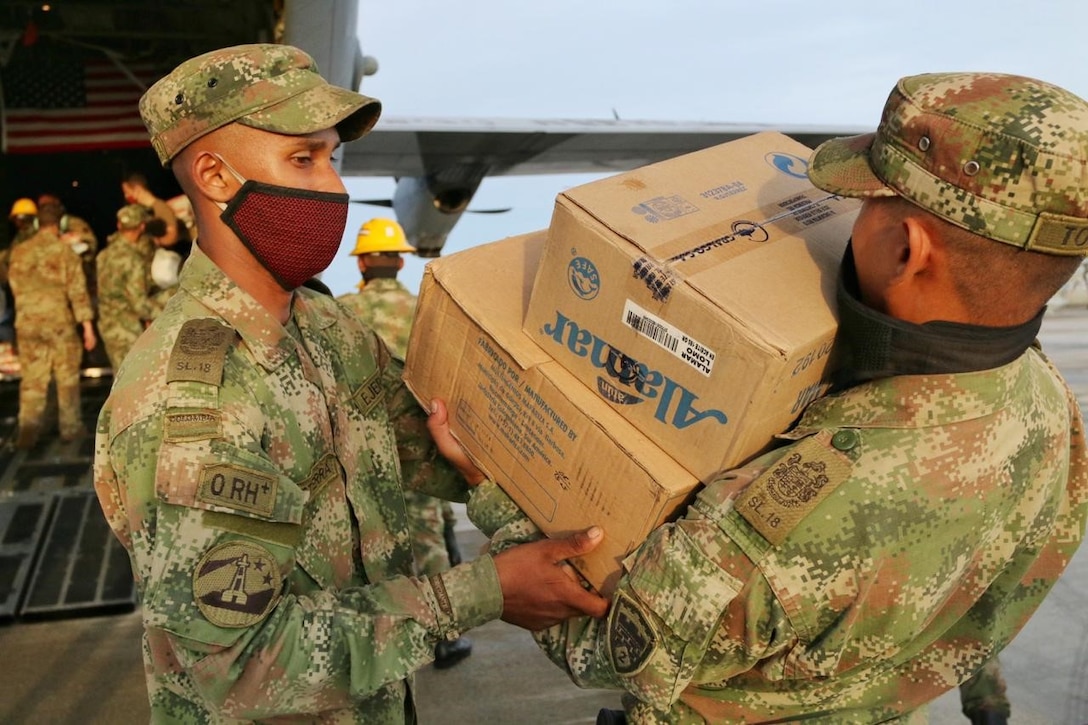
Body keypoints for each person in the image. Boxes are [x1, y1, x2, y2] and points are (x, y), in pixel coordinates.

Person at [466, 72, 1088, 723]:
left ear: (907, 250)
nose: (847, 218)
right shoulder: (1046, 402)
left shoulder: (801, 501)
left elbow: (611, 645)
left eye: (870, 203)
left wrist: (496, 486)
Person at [93, 42, 607, 722]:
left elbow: (437, 444)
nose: (333, 186)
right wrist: (483, 591)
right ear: (214, 175)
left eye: (332, 158)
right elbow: (242, 666)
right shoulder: (194, 398)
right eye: (302, 158)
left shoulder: (327, 328)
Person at [337, 216, 472, 669]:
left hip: (355, 452)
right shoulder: (423, 311)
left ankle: (381, 632)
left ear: (361, 266)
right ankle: (445, 635)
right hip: (417, 447)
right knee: (427, 534)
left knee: (365, 543)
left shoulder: (339, 312)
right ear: (399, 261)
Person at [8, 200, 97, 448]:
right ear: (60, 223)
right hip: (59, 323)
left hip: (27, 324)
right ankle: (70, 428)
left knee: (33, 380)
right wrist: (88, 328)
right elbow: (77, 293)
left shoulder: (19, 251)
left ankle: (28, 430)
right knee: (66, 378)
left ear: (38, 222)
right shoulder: (65, 252)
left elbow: (14, 287)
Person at [95, 204, 156, 370]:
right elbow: (139, 303)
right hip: (127, 328)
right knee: (135, 378)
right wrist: (166, 310)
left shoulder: (103, 256)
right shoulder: (134, 259)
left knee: (119, 378)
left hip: (108, 325)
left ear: (119, 226)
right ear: (142, 226)